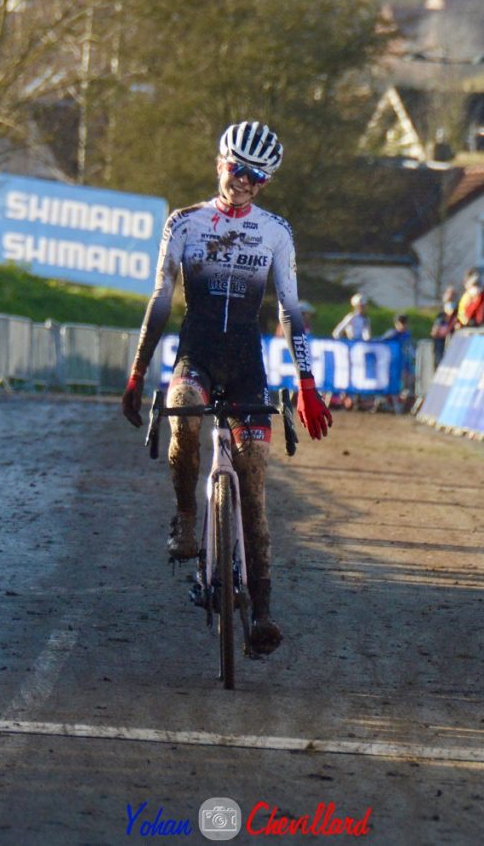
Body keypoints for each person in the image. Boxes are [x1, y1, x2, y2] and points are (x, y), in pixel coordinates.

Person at [120, 120, 331, 657]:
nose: (246, 183)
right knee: (183, 406)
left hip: (245, 365)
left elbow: (289, 308)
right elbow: (162, 301)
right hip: (197, 356)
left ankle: (262, 612)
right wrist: (138, 372)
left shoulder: (276, 232)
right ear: (220, 162)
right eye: (239, 169)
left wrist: (306, 382)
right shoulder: (185, 223)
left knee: (255, 482)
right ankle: (187, 518)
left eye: (259, 177)